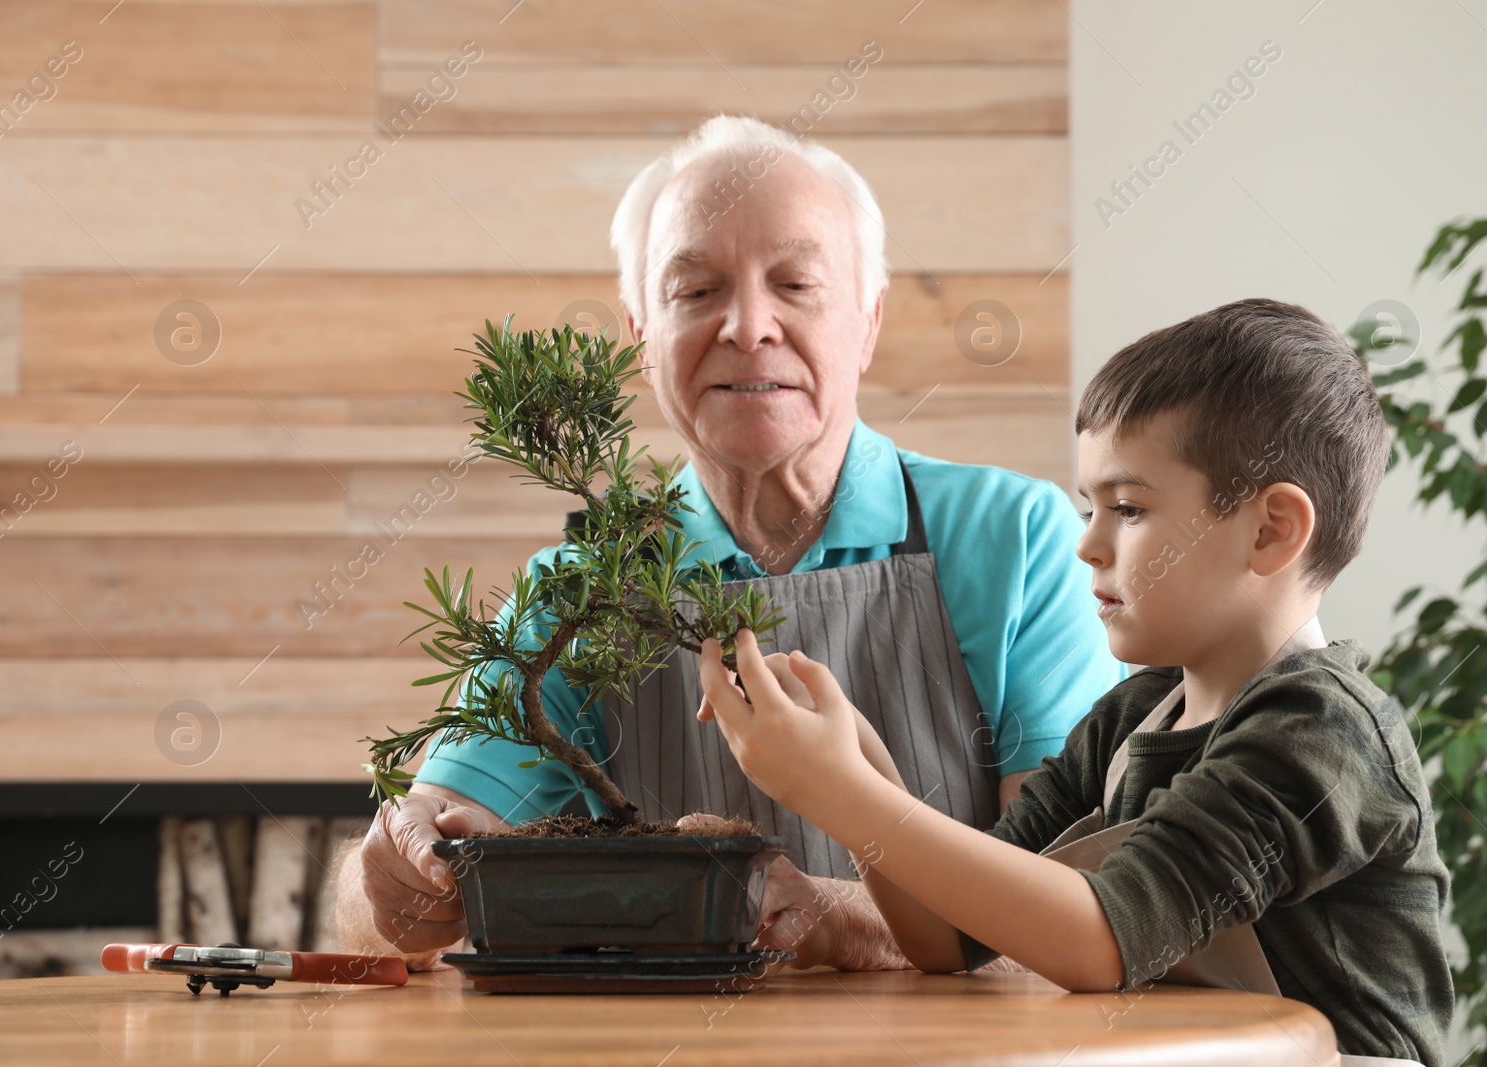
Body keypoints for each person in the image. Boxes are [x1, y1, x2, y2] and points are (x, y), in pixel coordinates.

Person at [331, 113, 1123, 970]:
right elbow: (401, 885)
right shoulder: (579, 586)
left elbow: (1078, 903)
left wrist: (823, 913)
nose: (748, 326)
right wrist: (393, 882)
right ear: (640, 334)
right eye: (695, 291)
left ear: (868, 320)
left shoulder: (1018, 540)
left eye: (795, 283)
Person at [696, 299, 1454, 1066]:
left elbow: (1102, 939)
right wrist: (855, 751)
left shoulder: (1321, 730)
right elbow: (946, 935)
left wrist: (835, 791)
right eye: (1091, 506)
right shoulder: (1133, 715)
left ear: (1271, 530)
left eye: (1127, 507)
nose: (1088, 542)